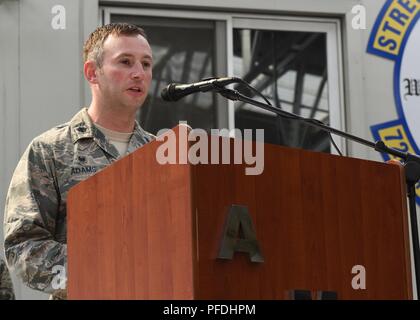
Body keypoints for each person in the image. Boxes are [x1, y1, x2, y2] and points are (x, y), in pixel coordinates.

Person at [3, 23, 155, 299]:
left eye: (146, 64)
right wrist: (101, 268)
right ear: (92, 72)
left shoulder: (162, 154)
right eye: (125, 62)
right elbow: (22, 247)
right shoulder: (49, 150)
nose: (139, 73)